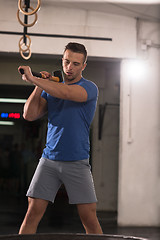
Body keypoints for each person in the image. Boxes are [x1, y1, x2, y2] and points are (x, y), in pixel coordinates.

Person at [18, 42, 103, 235]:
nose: (69, 67)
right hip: (49, 161)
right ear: (62, 61)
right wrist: (38, 85)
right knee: (32, 213)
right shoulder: (50, 88)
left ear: (83, 66)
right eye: (66, 62)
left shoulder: (89, 88)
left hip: (77, 162)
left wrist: (34, 78)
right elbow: (29, 115)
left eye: (75, 63)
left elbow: (66, 92)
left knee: (88, 217)